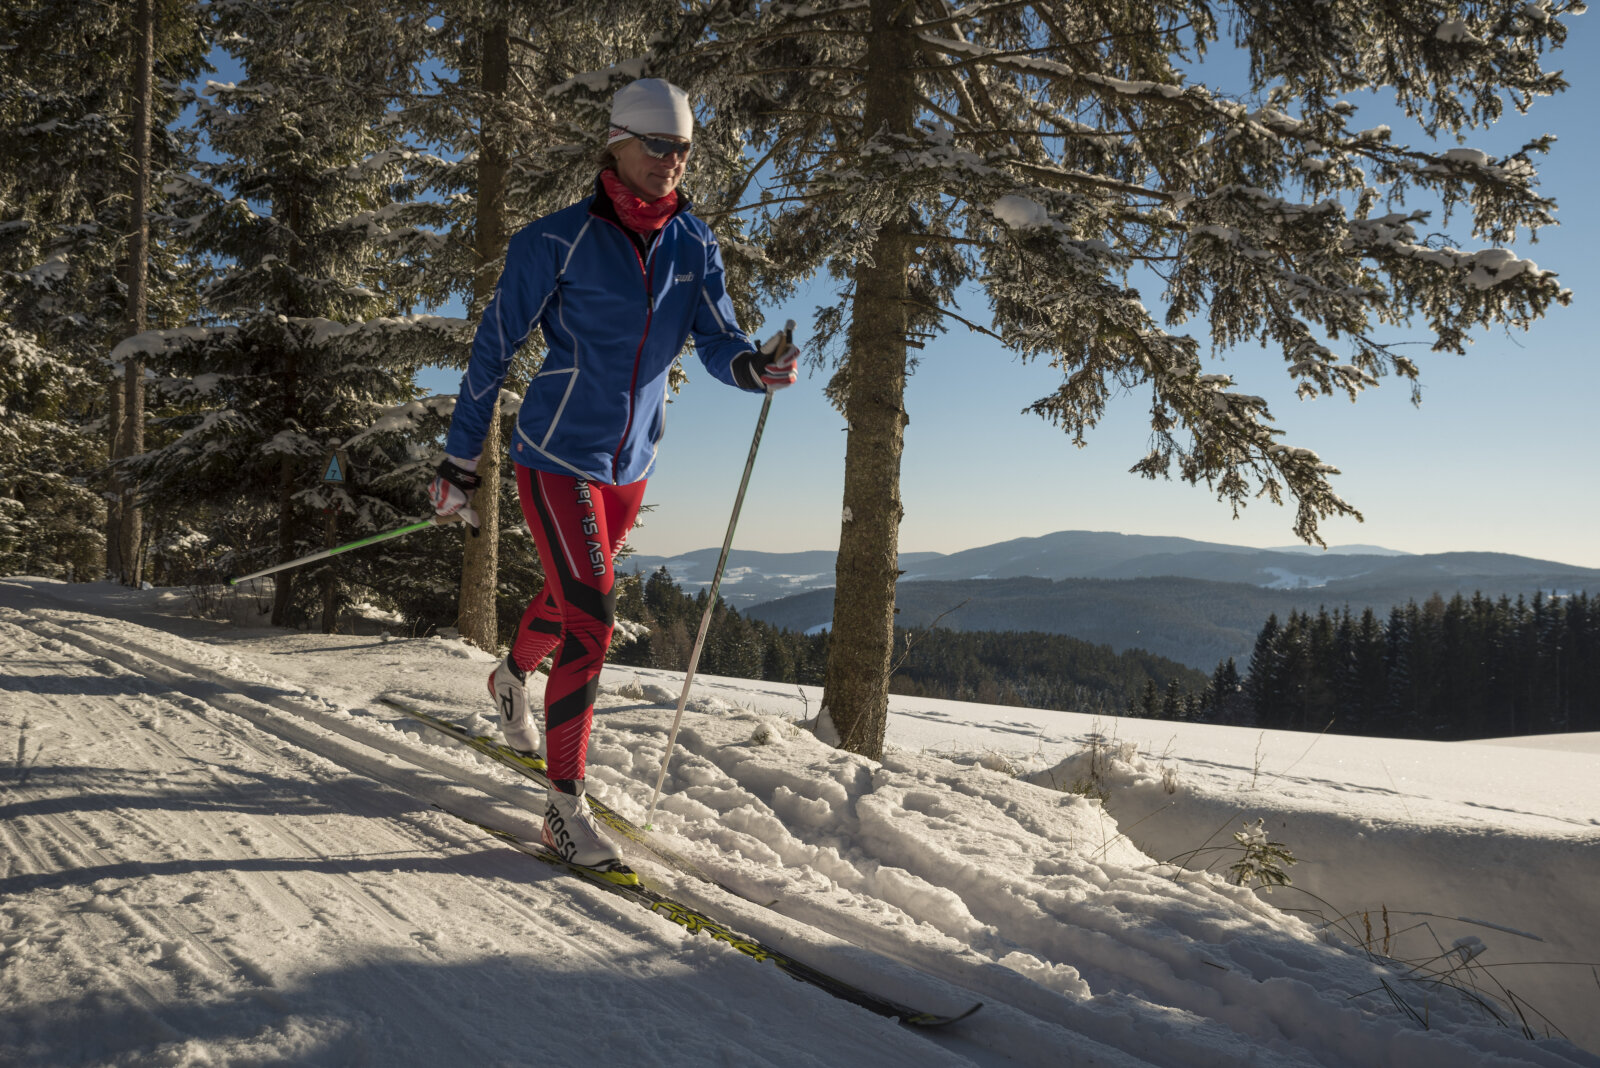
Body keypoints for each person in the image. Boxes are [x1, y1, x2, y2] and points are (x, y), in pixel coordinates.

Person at [428, 78, 799, 875]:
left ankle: (509, 674)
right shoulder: (554, 241)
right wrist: (462, 460)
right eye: (658, 145)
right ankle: (563, 811)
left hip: (630, 463)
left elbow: (715, 338)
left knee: (570, 604)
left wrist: (752, 366)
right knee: (594, 619)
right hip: (556, 454)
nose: (672, 162)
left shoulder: (694, 243)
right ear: (618, 143)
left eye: (684, 149)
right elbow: (493, 351)